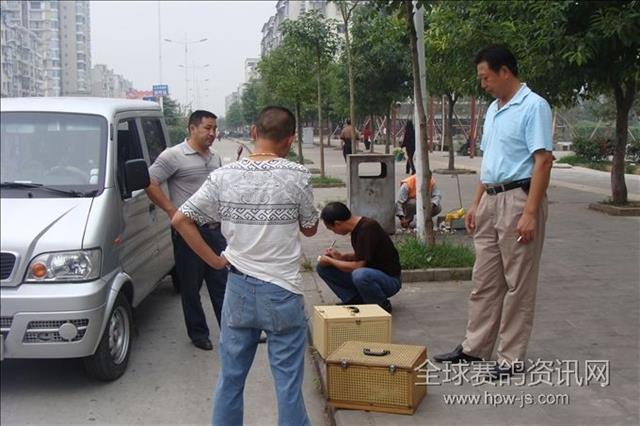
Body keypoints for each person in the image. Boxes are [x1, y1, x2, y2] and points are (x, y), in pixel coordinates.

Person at [173, 106, 319, 426]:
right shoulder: (298, 175)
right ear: (290, 139)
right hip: (282, 291)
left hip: (237, 288)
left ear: (253, 132)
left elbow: (181, 219)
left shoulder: (223, 176)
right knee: (288, 386)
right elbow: (310, 228)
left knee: (230, 379)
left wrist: (215, 260)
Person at [433, 45, 554, 379]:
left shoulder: (533, 106)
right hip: (490, 198)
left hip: (518, 200)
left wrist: (530, 213)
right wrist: (476, 204)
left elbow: (543, 161)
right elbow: (490, 161)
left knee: (518, 283)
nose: (483, 84)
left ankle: (510, 357)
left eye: (486, 77)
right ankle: (474, 348)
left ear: (505, 72)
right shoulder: (493, 109)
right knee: (484, 279)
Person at [145, 110, 227, 351]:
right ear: (192, 128)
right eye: (207, 128)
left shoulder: (215, 157)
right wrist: (172, 211)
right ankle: (198, 333)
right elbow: (149, 182)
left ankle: (231, 331)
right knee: (191, 286)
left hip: (215, 231)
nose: (212, 133)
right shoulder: (173, 156)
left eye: (214, 129)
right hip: (188, 232)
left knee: (222, 282)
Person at [316, 202, 401, 313]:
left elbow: (357, 266)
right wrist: (342, 257)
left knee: (360, 274)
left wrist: (330, 260)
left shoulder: (368, 228)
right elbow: (365, 255)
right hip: (372, 274)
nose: (334, 233)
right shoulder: (357, 228)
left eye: (332, 229)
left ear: (337, 223)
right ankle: (354, 299)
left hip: (389, 280)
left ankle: (380, 305)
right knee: (323, 268)